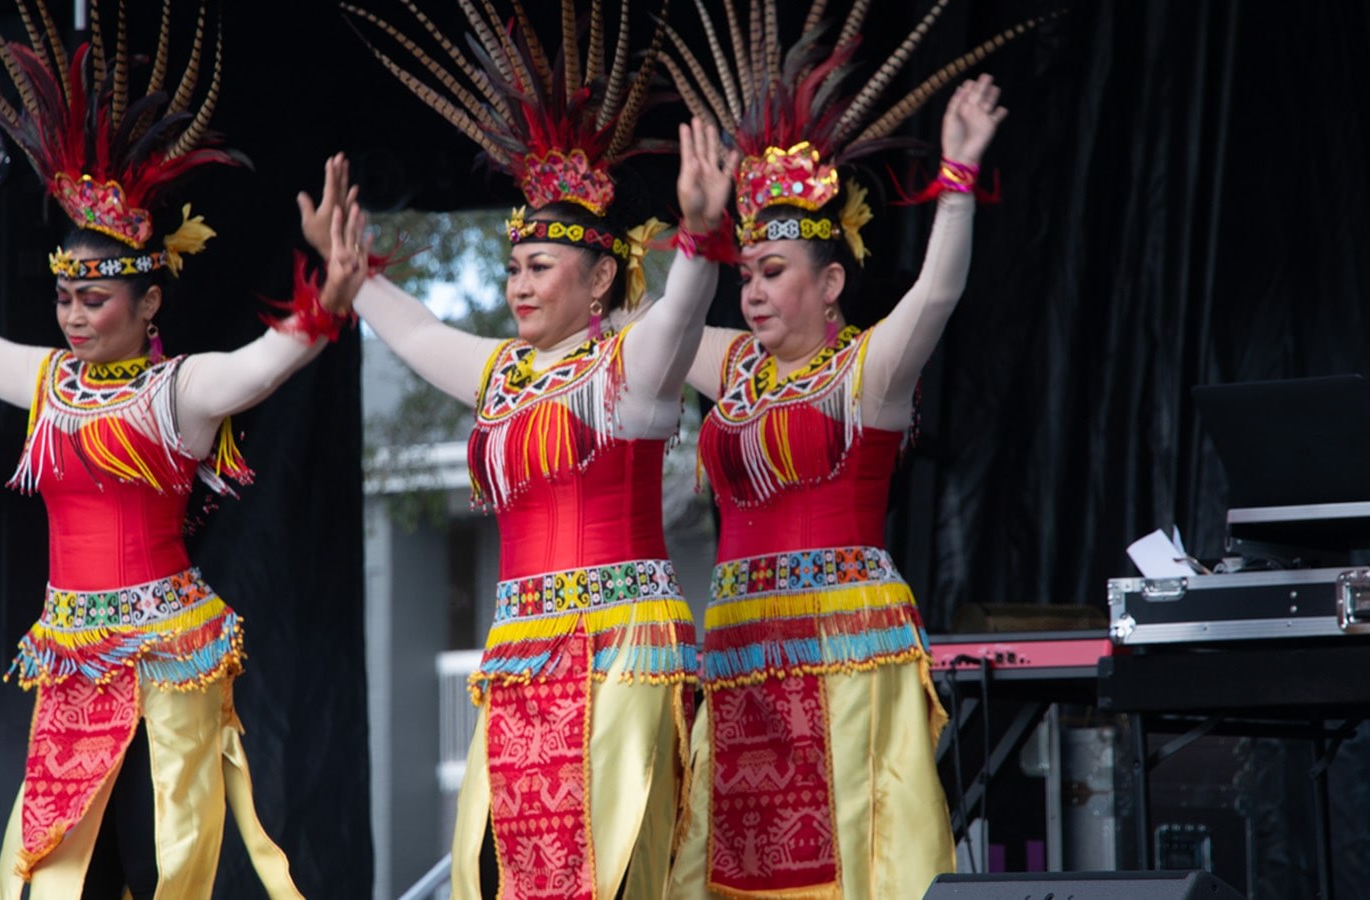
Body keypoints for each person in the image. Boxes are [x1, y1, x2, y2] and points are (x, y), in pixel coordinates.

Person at [0, 2, 348, 896]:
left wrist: (328, 300)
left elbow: (262, 366)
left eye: (96, 299)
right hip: (71, 646)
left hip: (170, 643)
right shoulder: (47, 384)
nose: (73, 315)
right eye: (66, 297)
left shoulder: (177, 392)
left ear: (147, 306)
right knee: (60, 851)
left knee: (172, 842)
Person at [313, 2, 737, 896]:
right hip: (520, 655)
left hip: (623, 649)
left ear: (601, 279)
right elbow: (422, 333)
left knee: (619, 863)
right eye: (512, 268)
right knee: (513, 870)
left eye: (540, 267)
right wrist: (353, 272)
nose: (518, 285)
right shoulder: (502, 372)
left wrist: (699, 239)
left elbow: (685, 311)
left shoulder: (633, 367)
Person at [659, 1, 1021, 896]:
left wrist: (959, 173)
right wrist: (695, 231)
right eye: (745, 276)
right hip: (740, 649)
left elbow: (937, 294)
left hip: (844, 648)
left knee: (856, 860)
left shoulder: (869, 372)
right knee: (738, 869)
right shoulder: (731, 365)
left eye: (772, 274)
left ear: (830, 283)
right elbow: (645, 332)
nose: (751, 293)